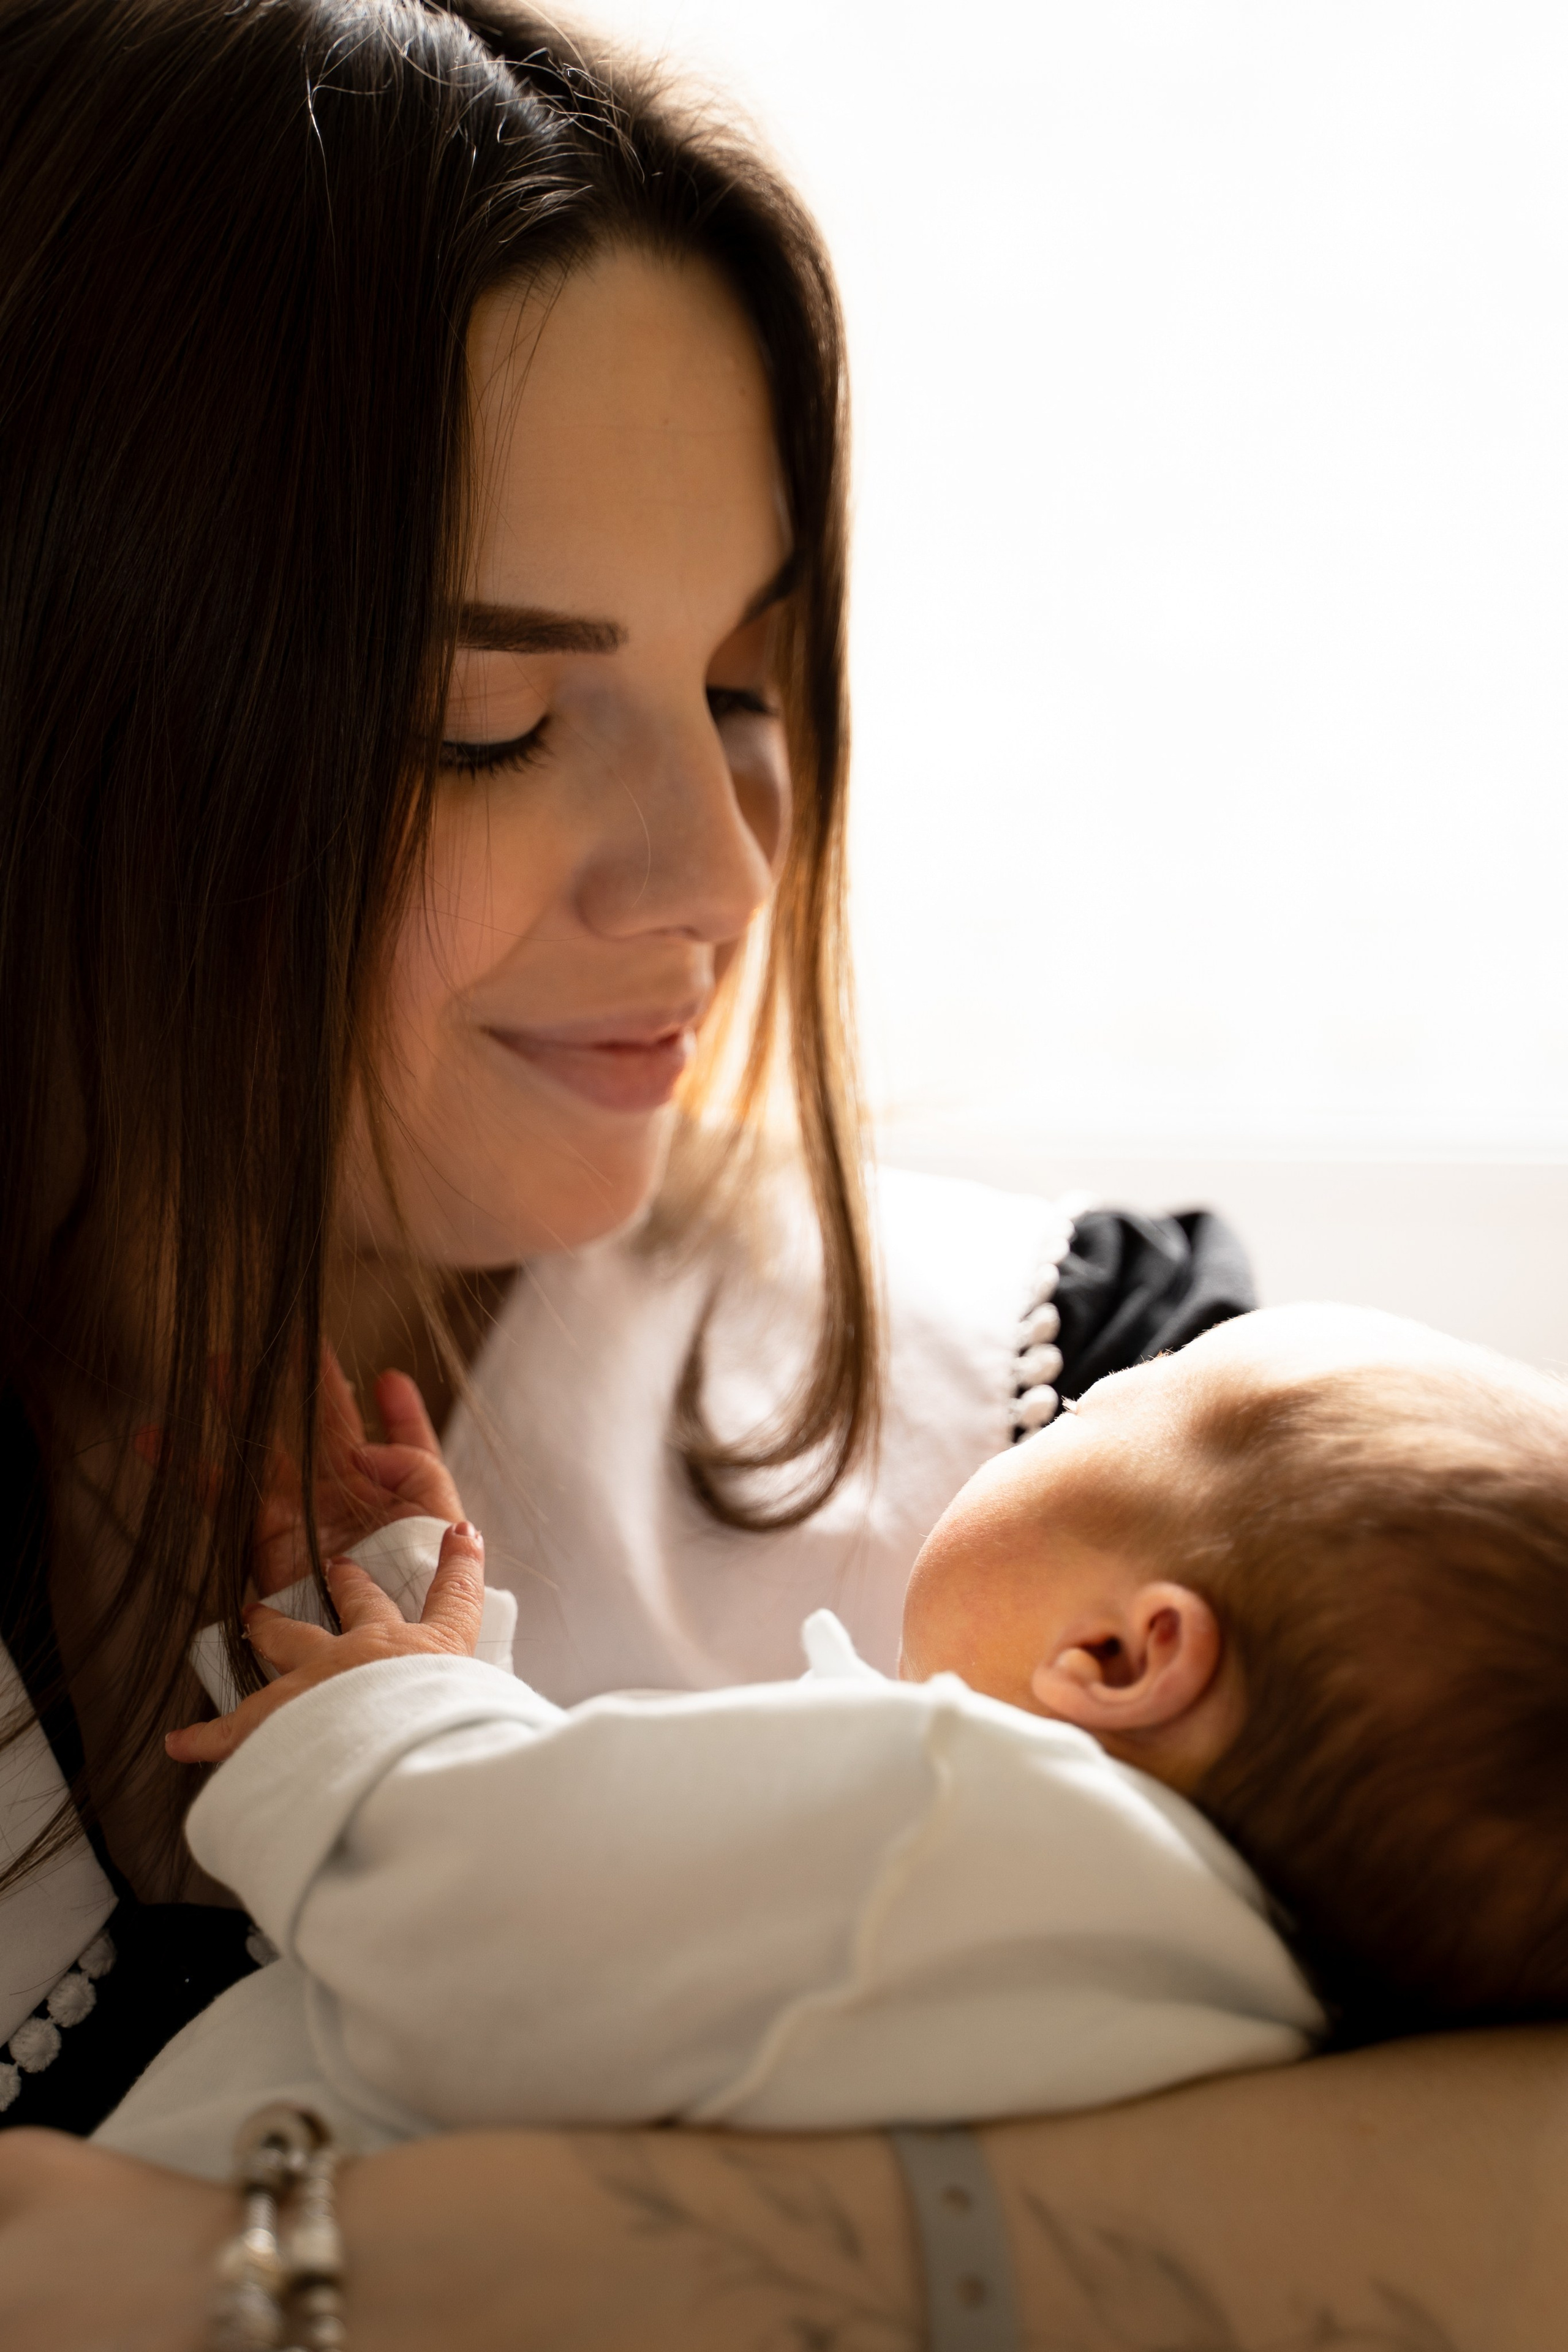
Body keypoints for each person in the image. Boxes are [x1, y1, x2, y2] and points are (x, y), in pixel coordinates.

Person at [2, 1, 1561, 2342]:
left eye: (749, 683)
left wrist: (325, 2277)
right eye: (491, 723)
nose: (720, 869)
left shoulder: (1123, 1429)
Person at [83, 1299, 1565, 2177]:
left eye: (1094, 1412)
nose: (1046, 1419)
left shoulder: (955, 1816)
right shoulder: (1200, 2018)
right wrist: (390, 1620)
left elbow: (470, 1914)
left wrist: (376, 1700)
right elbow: (607, 1959)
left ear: (1117, 1657)